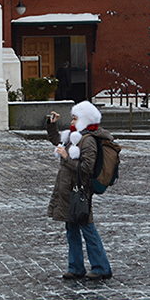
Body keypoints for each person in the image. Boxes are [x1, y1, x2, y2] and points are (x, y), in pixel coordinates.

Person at [46, 101, 113, 281]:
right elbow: (57, 139)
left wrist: (66, 158)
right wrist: (52, 125)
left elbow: (87, 168)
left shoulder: (88, 139)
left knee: (87, 228)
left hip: (79, 192)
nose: (73, 121)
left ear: (84, 120)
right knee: (71, 229)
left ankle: (101, 267)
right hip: (68, 192)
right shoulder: (75, 136)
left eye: (75, 118)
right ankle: (76, 267)